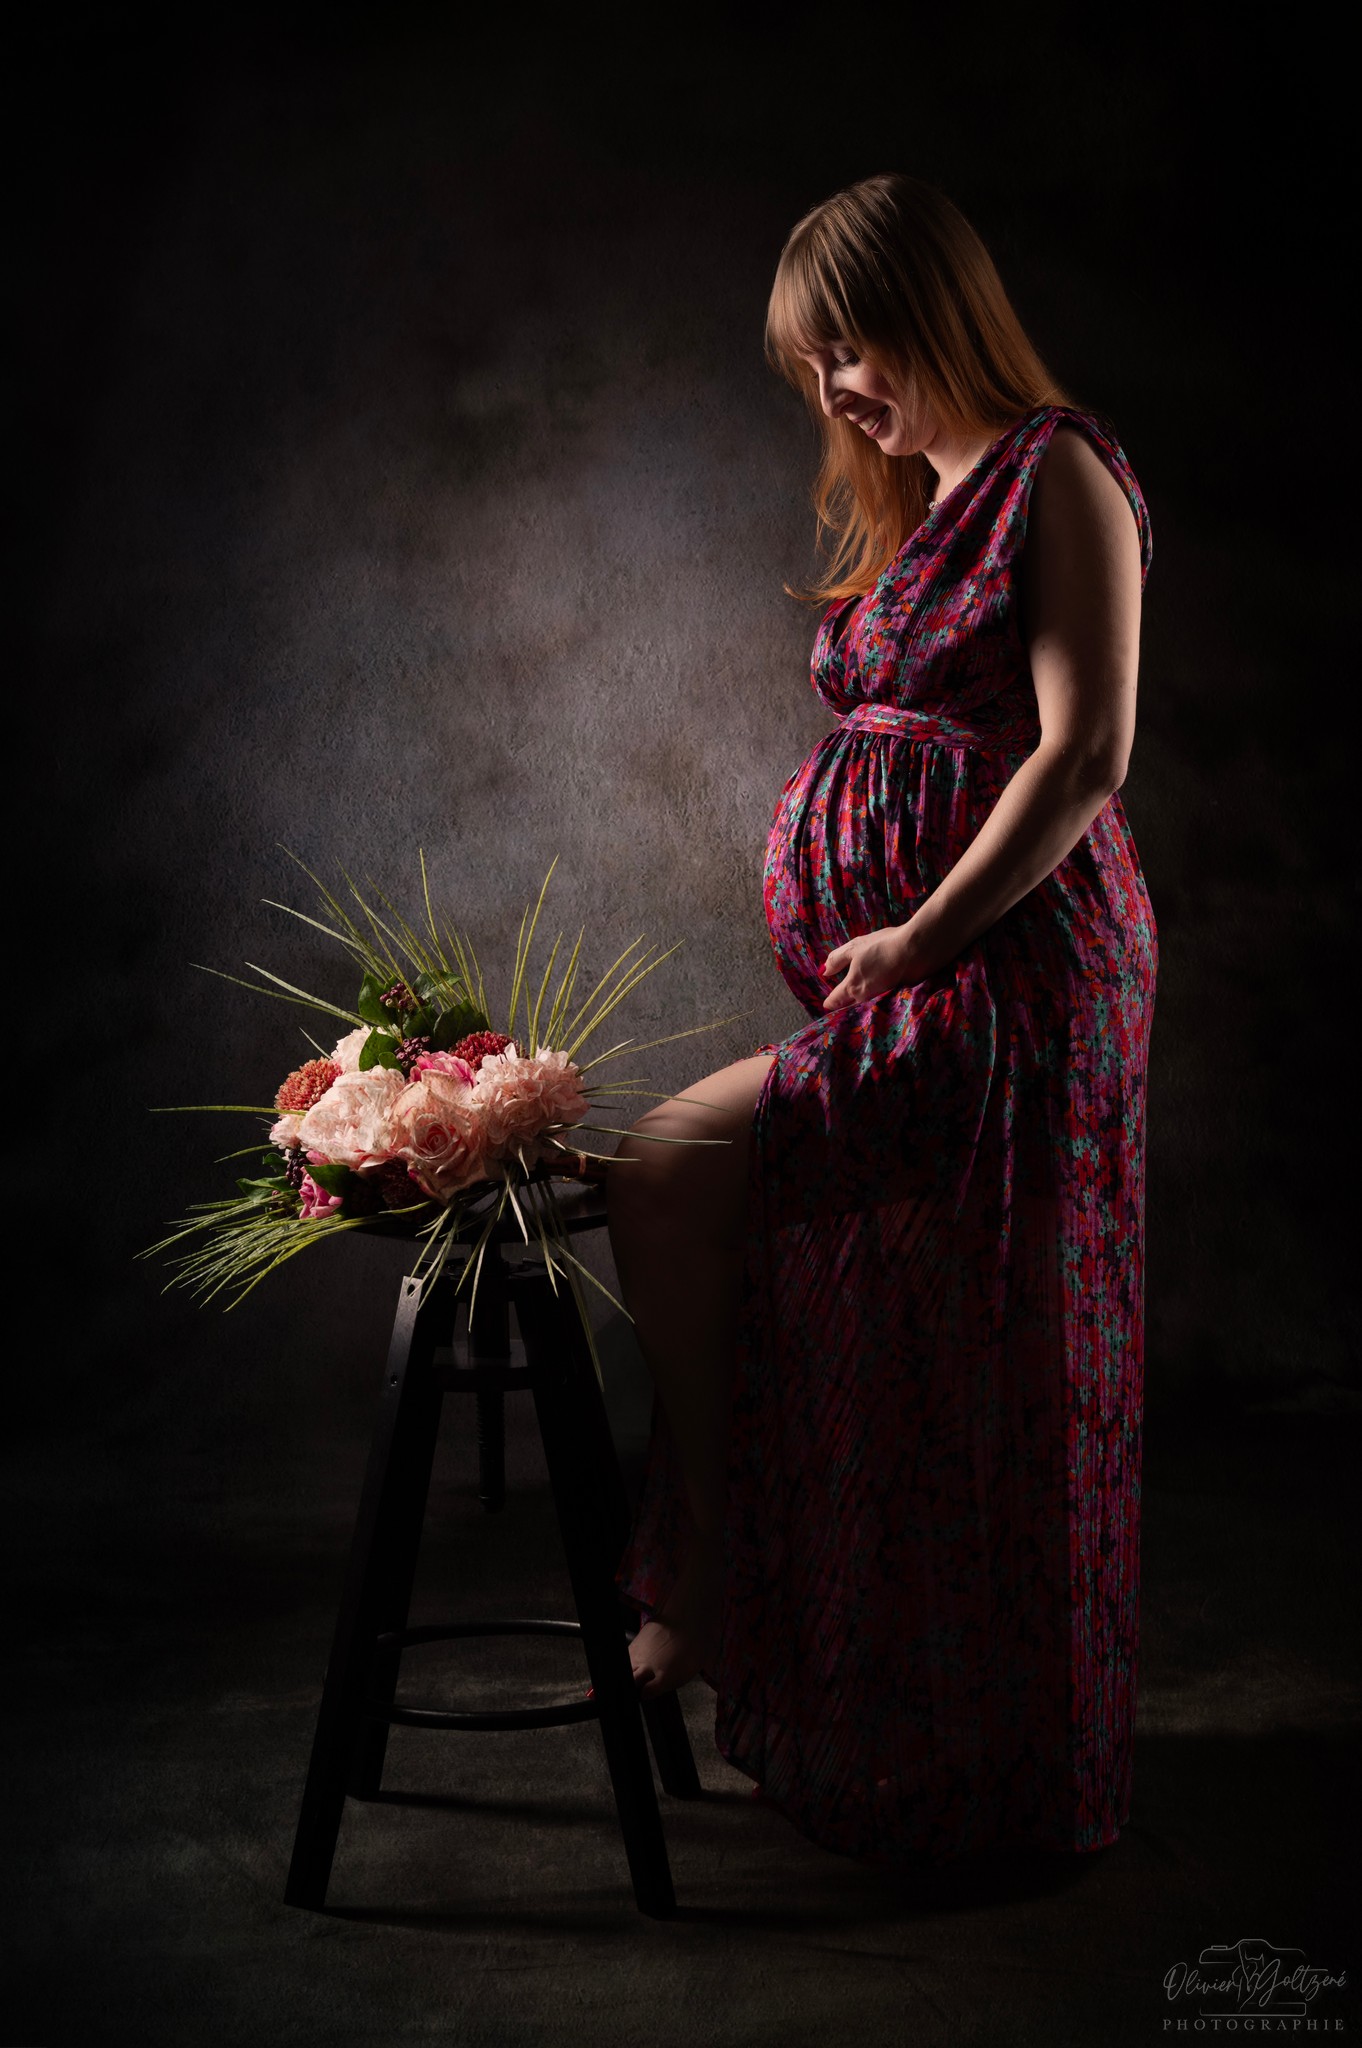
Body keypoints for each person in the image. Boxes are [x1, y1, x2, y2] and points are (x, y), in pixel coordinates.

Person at [605, 171, 1155, 1865]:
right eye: (815, 365)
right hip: (936, 972)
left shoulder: (1057, 469)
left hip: (1018, 978)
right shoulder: (930, 500)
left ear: (932, 313)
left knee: (690, 1172)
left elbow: (1084, 753)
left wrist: (915, 933)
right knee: (904, 1331)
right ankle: (875, 1684)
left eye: (849, 349)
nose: (835, 390)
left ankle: (708, 1568)